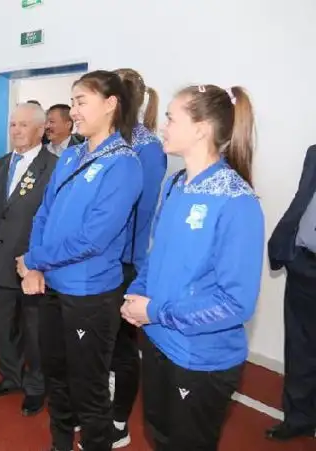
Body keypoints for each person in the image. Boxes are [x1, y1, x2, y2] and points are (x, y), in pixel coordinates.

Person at [121, 84, 264, 450]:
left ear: (200, 129)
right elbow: (157, 255)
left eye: (171, 118)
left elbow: (235, 304)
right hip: (159, 340)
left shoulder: (237, 201)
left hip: (199, 358)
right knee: (159, 435)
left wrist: (155, 311)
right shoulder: (175, 184)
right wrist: (137, 293)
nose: (163, 126)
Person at [20, 70, 142, 451]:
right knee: (56, 378)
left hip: (90, 295)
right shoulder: (72, 154)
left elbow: (93, 238)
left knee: (88, 390)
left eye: (81, 102)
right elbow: (44, 212)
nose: (73, 111)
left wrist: (34, 258)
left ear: (110, 105)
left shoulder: (124, 164)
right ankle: (59, 443)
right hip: (54, 287)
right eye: (71, 102)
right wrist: (35, 265)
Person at [0, 103, 57, 416]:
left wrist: (40, 262)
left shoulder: (54, 167)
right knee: (2, 326)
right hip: (0, 259)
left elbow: (54, 221)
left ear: (41, 129)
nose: (16, 130)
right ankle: (11, 376)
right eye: (13, 124)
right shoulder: (1, 164)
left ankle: (36, 387)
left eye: (24, 125)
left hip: (33, 264)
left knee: (34, 331)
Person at [108, 68, 167, 448]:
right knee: (101, 343)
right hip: (101, 260)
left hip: (125, 263)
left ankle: (119, 421)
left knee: (123, 348)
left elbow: (139, 211)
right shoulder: (110, 141)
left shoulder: (147, 147)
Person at [267, 143, 316, 442]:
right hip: (305, 265)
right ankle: (298, 419)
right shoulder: (315, 153)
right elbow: (303, 200)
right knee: (299, 347)